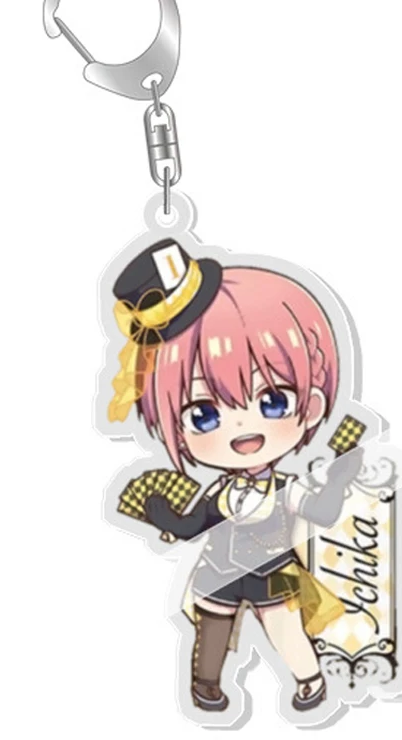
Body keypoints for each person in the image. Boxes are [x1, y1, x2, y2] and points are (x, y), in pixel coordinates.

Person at [109, 238, 360, 711]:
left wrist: (340, 476)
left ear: (310, 407)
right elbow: (193, 525)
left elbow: (323, 512)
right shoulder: (221, 492)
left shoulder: (285, 488)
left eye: (273, 402)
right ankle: (206, 685)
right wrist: (162, 514)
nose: (243, 430)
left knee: (285, 628)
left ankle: (310, 680)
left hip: (272, 574)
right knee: (212, 629)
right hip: (219, 571)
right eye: (203, 414)